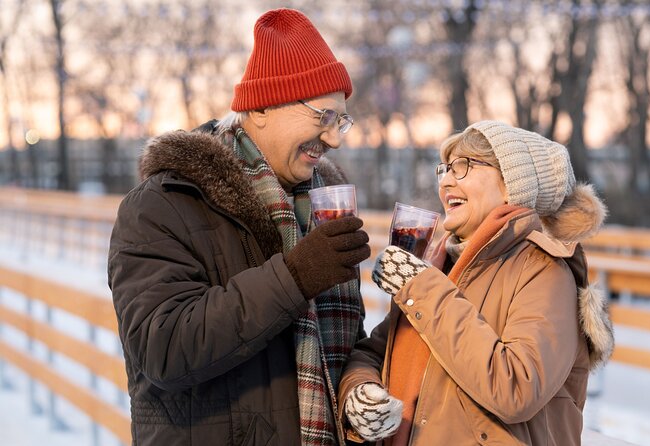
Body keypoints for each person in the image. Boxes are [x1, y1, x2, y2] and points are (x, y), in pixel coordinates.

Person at [108, 8, 371, 446]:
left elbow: (343, 342)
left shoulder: (321, 203)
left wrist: (362, 384)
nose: (335, 139)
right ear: (264, 106)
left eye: (341, 120)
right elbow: (164, 348)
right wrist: (294, 277)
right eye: (323, 116)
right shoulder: (164, 203)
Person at [338, 120, 615, 445]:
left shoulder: (544, 270)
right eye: (444, 169)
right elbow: (376, 351)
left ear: (513, 183)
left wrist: (422, 287)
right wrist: (360, 392)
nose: (446, 182)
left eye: (463, 166)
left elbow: (517, 389)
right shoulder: (443, 264)